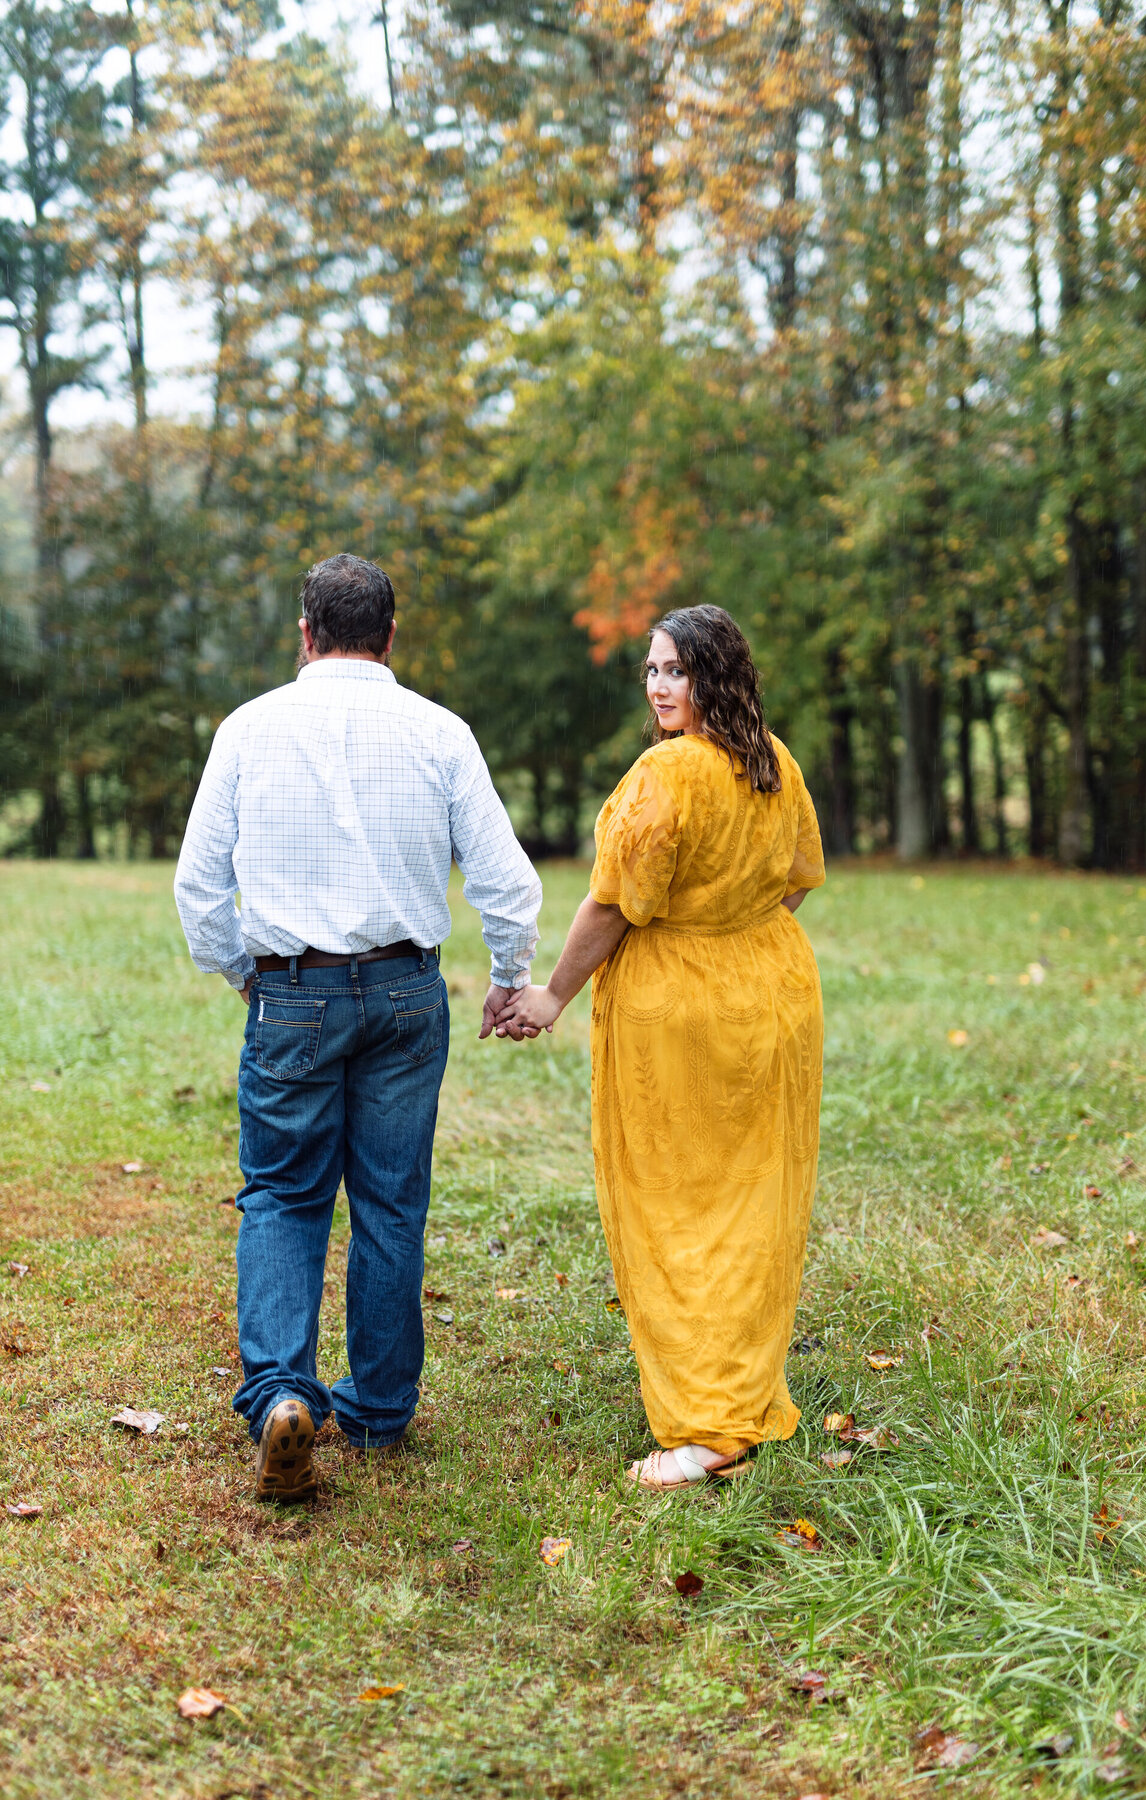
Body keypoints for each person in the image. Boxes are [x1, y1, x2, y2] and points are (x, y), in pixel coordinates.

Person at [174, 553, 541, 1502]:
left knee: (285, 1195)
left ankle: (283, 1398)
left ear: (305, 632)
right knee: (388, 1200)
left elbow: (199, 886)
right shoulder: (439, 731)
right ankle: (377, 1407)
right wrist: (510, 979)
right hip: (409, 993)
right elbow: (506, 879)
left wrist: (244, 974)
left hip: (293, 987)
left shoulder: (248, 730)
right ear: (388, 636)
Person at [500, 605, 824, 1491]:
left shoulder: (667, 776)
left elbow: (611, 904)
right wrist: (735, 933)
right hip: (774, 996)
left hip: (681, 1015)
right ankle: (739, 1389)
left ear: (714, 677)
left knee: (682, 1205)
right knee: (750, 1201)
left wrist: (551, 994)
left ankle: (711, 1425)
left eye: (674, 671)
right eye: (650, 670)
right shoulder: (773, 761)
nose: (657, 686)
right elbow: (797, 881)